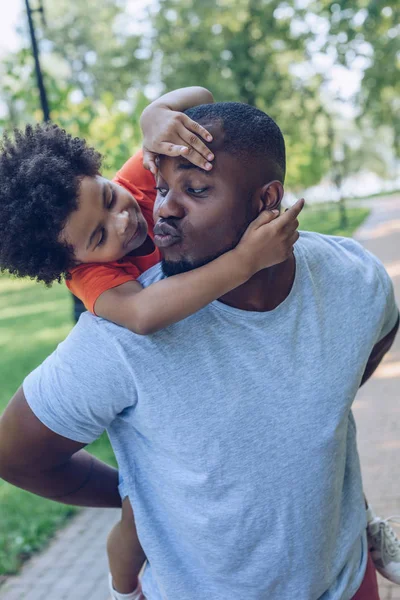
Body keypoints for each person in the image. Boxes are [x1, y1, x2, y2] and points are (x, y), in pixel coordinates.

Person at [0, 100, 399, 599]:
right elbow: (16, 454)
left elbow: (381, 326)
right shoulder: (114, 329)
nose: (154, 208)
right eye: (164, 188)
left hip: (346, 579)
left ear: (266, 198)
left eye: (194, 189)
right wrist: (141, 496)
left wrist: (153, 117)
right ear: (73, 261)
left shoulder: (351, 275)